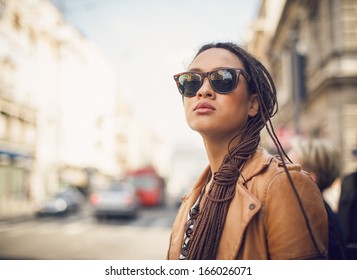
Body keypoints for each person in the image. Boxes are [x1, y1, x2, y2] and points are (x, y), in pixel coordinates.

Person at [167, 42, 328, 260]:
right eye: (191, 81)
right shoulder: (193, 197)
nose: (203, 90)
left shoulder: (283, 185)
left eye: (223, 79)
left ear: (252, 104)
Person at [288, 137, 346, 259]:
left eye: (287, 169)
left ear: (309, 179)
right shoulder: (324, 212)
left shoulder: (308, 217)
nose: (279, 173)